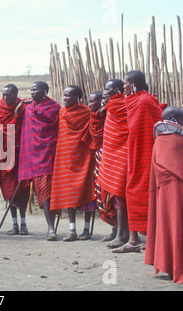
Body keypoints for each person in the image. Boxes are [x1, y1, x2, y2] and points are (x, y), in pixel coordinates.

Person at [112, 70, 163, 253]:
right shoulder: (135, 100)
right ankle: (134, 240)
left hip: (145, 156)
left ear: (133, 85)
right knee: (132, 193)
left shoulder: (144, 102)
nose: (123, 86)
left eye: (125, 83)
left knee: (142, 195)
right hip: (134, 154)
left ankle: (148, 242)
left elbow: (150, 131)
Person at [50, 85, 97, 242]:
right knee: (69, 193)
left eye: (69, 96)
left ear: (78, 98)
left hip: (83, 156)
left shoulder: (86, 112)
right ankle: (72, 230)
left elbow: (93, 130)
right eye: (64, 95)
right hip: (65, 158)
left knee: (87, 191)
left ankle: (86, 229)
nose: (64, 98)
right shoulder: (62, 112)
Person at [145, 107, 183, 283]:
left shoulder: (159, 140)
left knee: (168, 227)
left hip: (164, 193)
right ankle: (179, 266)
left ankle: (169, 266)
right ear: (175, 119)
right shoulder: (179, 140)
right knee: (179, 226)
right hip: (179, 191)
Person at [17, 81, 61, 240]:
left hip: (48, 156)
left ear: (45, 92)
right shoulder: (28, 108)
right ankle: (50, 227)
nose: (32, 93)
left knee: (48, 193)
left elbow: (56, 128)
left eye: (35, 90)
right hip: (32, 159)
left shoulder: (54, 108)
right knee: (41, 193)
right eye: (31, 90)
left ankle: (51, 229)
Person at [97, 79, 130, 249]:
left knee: (121, 195)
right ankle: (120, 232)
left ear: (117, 90)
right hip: (111, 156)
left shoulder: (124, 105)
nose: (105, 92)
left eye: (107, 89)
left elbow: (128, 130)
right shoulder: (111, 106)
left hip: (122, 156)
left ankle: (124, 235)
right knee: (116, 196)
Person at [0, 84, 31, 235]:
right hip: (5, 155)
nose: (5, 97)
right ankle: (14, 224)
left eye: (9, 94)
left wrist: (23, 104)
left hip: (21, 154)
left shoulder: (23, 106)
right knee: (9, 190)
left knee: (22, 189)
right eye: (4, 94)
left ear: (16, 94)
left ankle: (23, 224)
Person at [78, 90, 106, 240]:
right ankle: (86, 229)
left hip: (108, 157)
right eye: (88, 101)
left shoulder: (109, 116)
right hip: (91, 158)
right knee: (90, 191)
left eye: (92, 101)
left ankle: (116, 229)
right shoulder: (88, 115)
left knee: (107, 193)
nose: (89, 104)